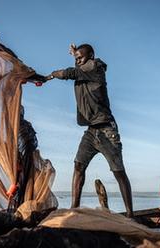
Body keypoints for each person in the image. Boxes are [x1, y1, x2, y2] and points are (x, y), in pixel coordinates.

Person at [46, 43, 133, 217]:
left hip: (107, 130)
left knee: (118, 172)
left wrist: (51, 75)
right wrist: (75, 54)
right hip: (91, 131)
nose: (77, 61)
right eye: (76, 58)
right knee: (78, 165)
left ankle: (131, 215)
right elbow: (79, 66)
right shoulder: (85, 66)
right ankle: (74, 209)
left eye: (80, 58)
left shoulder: (95, 67)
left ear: (91, 56)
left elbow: (71, 72)